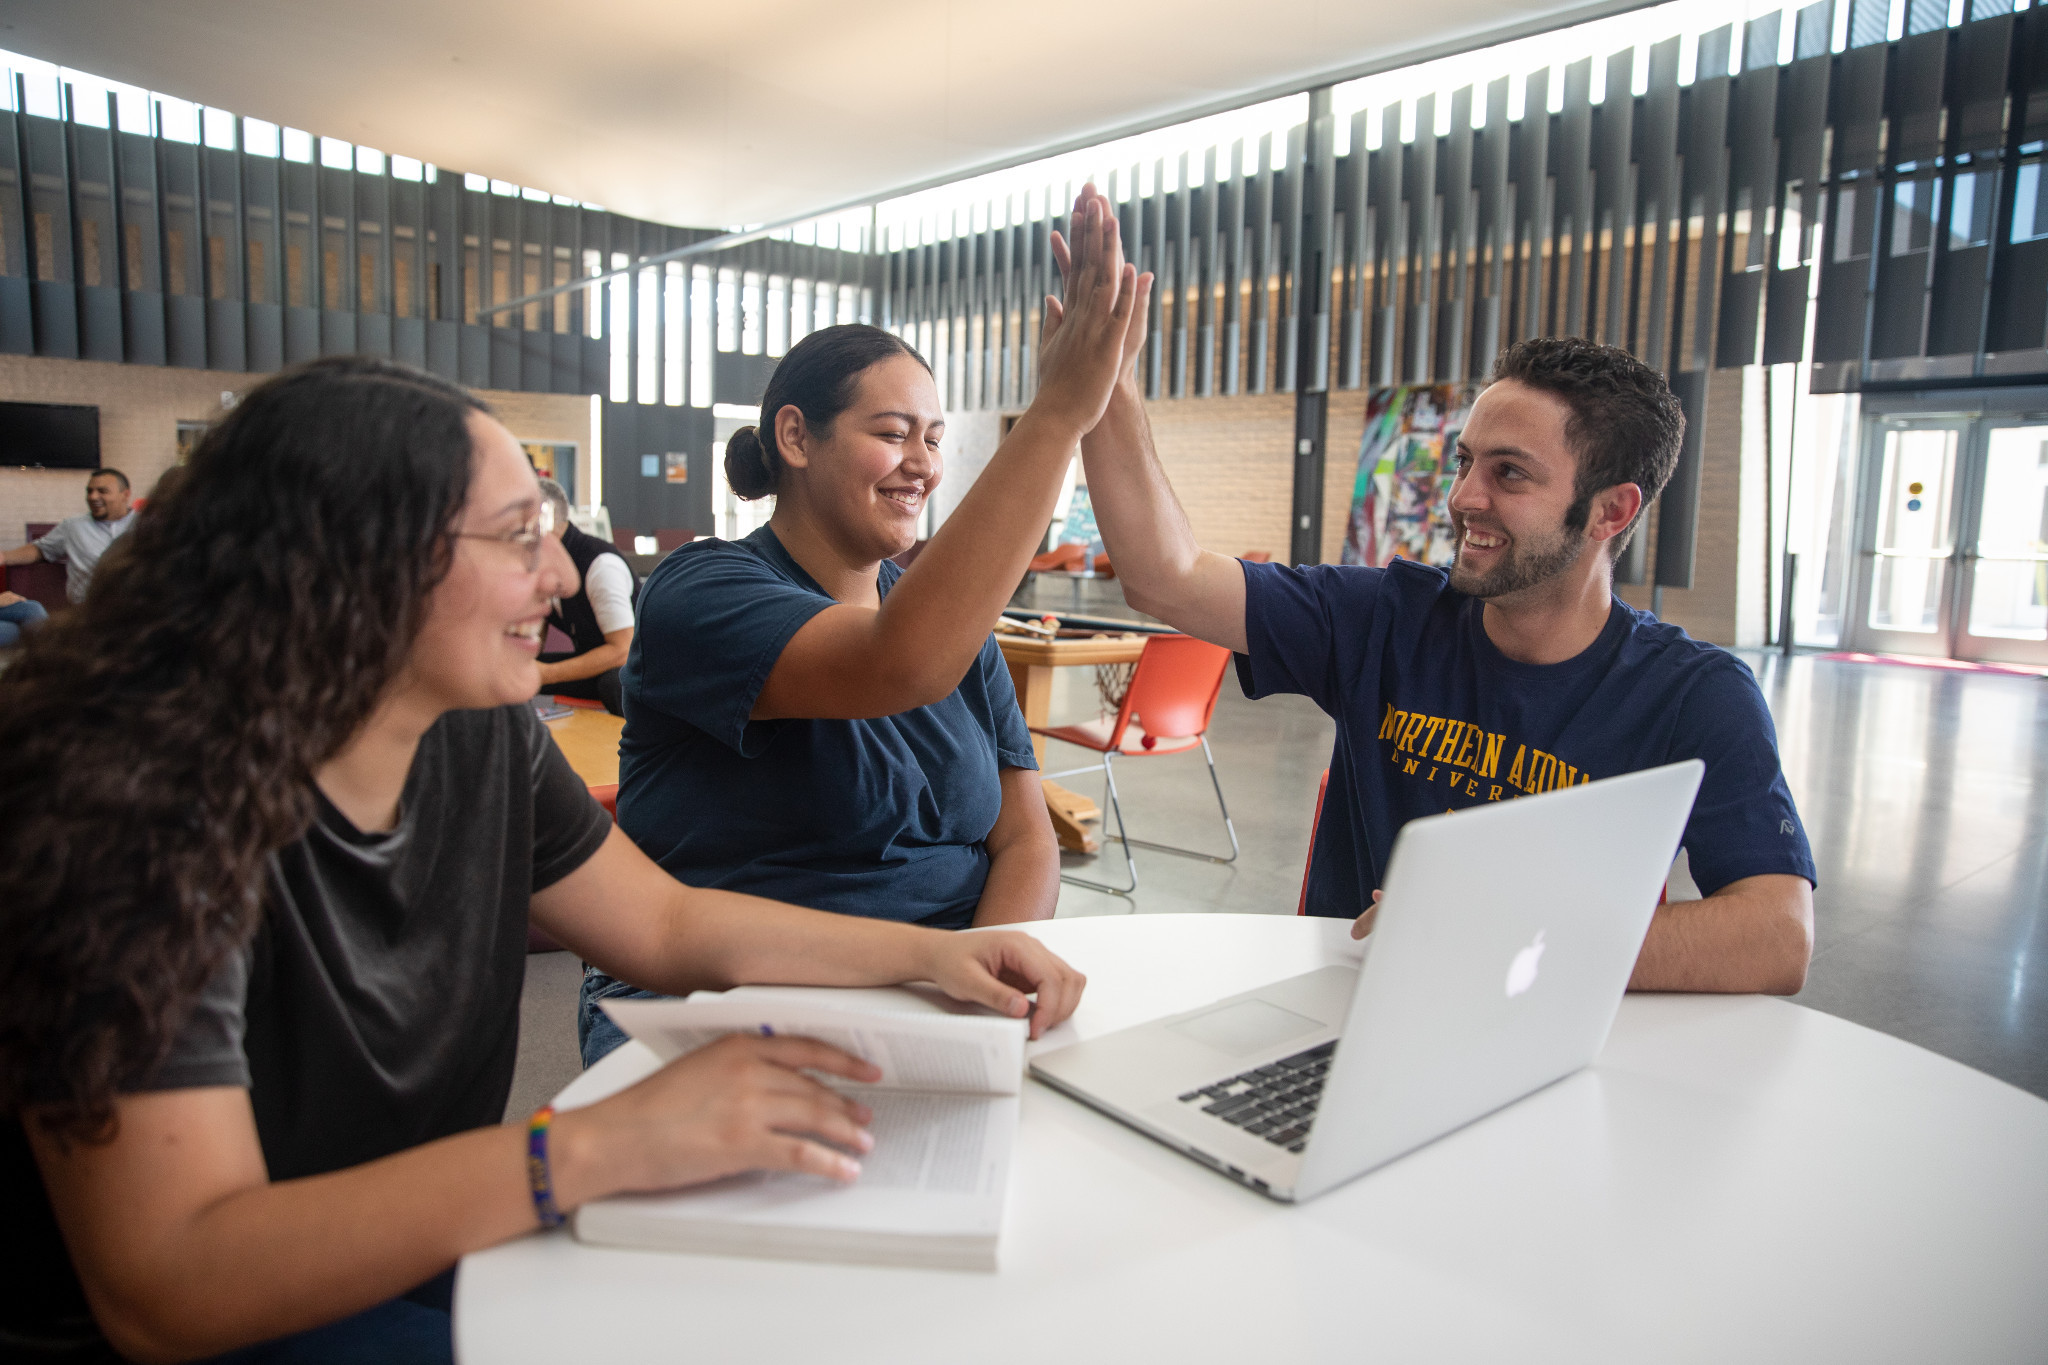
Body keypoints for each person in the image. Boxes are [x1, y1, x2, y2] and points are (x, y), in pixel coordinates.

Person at [0, 356, 1089, 1364]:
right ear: (354, 559)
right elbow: (169, 1282)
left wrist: (933, 958)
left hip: (430, 1240)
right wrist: (586, 1150)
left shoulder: (479, 731)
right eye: (518, 536)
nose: (560, 578)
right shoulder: (127, 809)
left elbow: (665, 926)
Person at [1073, 302, 1816, 993]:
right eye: (1466, 461)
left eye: (1509, 473)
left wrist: (1501, 935)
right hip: (1348, 1016)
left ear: (1611, 511)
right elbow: (1165, 578)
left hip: (1549, 1039)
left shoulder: (1693, 693)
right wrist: (1109, 384)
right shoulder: (1383, 618)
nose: (1462, 497)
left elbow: (1778, 935)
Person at [580, 186, 1149, 1065]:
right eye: (892, 433)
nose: (922, 463)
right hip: (726, 1005)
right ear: (797, 438)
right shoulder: (703, 592)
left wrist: (985, 988)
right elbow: (894, 665)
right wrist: (1056, 417)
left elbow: (1025, 835)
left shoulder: (953, 624)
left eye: (933, 436)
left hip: (934, 996)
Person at [533, 476, 636, 716]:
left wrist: (545, 673)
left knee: (613, 683)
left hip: (635, 667)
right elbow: (539, 629)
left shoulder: (600, 564)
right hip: (596, 659)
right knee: (511, 669)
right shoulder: (542, 561)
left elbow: (623, 650)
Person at [0, 467, 137, 604]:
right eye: (89, 491)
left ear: (125, 495)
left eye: (102, 491)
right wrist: (5, 556)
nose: (93, 497)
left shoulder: (147, 526)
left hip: (138, 608)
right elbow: (41, 549)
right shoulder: (73, 526)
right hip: (88, 610)